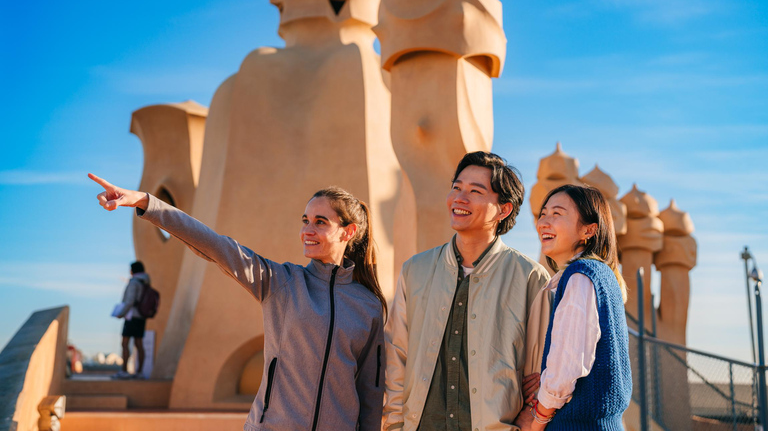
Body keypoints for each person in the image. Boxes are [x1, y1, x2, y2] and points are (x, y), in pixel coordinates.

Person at [89, 174, 386, 431]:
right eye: (305, 220)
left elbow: (370, 390)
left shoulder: (368, 305)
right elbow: (217, 246)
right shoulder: (282, 282)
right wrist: (146, 203)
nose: (307, 230)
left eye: (320, 222)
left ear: (348, 232)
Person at [383, 151, 550, 431]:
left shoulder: (530, 277)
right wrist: (395, 424)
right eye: (457, 187)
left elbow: (539, 371)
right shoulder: (416, 270)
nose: (459, 198)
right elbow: (396, 355)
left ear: (504, 209)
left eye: (475, 191)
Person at [515, 184, 632, 430]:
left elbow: (567, 368)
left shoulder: (580, 277)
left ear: (588, 230)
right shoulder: (602, 274)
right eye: (543, 213)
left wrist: (537, 419)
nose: (543, 222)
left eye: (557, 214)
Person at [113, 260, 149, 379]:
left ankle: (124, 371)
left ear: (133, 270)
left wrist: (121, 313)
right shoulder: (145, 281)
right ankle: (139, 372)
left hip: (131, 316)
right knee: (139, 344)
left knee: (125, 343)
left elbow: (130, 301)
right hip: (142, 316)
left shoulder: (134, 282)